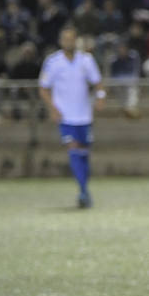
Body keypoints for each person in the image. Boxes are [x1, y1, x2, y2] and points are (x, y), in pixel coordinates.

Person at [38, 24, 105, 208]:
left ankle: (84, 188)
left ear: (76, 41)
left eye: (72, 39)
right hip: (65, 116)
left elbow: (98, 82)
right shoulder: (53, 62)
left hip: (84, 115)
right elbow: (43, 88)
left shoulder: (86, 60)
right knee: (73, 149)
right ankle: (83, 192)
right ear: (61, 41)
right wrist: (53, 108)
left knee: (83, 154)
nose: (69, 42)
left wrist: (101, 97)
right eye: (66, 39)